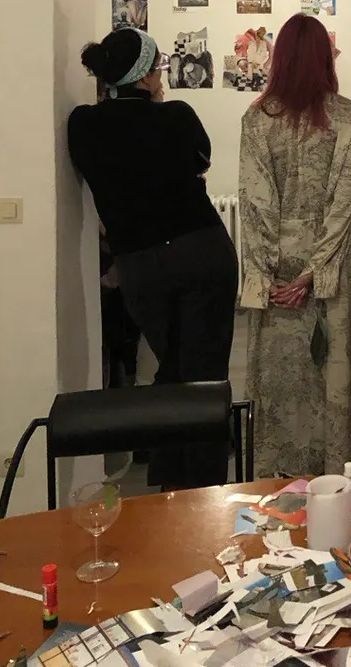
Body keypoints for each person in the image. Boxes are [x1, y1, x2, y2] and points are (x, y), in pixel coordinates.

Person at [68, 27, 238, 490]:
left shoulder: (83, 124)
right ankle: (201, 491)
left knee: (171, 367)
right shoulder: (177, 116)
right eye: (159, 68)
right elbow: (200, 160)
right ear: (144, 77)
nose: (163, 77)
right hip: (201, 252)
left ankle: (167, 484)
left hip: (140, 266)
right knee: (203, 376)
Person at [239, 13, 351, 478]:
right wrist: (314, 272)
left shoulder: (258, 118)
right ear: (325, 58)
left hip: (279, 267)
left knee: (285, 379)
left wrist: (269, 274)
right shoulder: (344, 116)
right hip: (331, 267)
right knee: (334, 371)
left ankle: (279, 473)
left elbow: (254, 202)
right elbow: (344, 199)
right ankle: (339, 470)